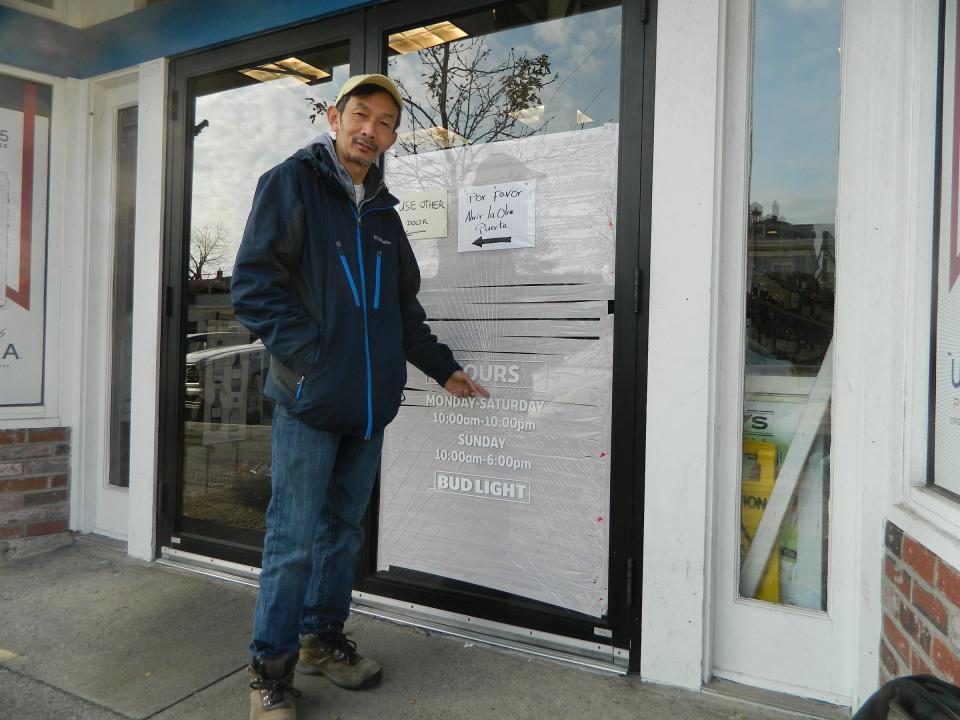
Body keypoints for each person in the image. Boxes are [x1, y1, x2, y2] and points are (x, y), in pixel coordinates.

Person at [231, 73, 488, 719]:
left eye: (384, 122)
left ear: (394, 137)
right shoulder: (290, 184)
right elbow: (255, 287)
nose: (370, 130)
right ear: (333, 117)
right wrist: (316, 361)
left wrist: (442, 368)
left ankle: (322, 641)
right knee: (292, 541)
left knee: (342, 534)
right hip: (311, 402)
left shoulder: (384, 215)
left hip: (369, 407)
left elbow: (403, 312)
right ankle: (269, 669)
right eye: (360, 115)